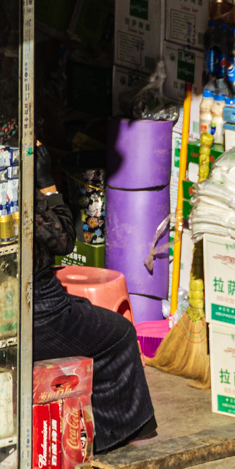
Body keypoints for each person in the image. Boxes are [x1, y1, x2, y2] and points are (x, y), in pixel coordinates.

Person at [31, 147, 157, 452]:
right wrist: (47, 183)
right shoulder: (18, 194)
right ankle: (113, 433)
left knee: (86, 312)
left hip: (30, 302)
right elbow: (64, 240)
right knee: (120, 333)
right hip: (40, 310)